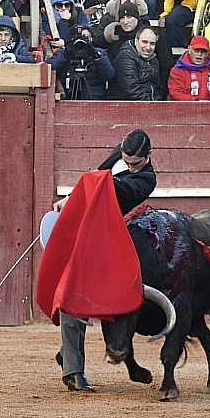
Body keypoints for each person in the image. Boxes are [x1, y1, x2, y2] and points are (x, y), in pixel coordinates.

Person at [51, 129, 157, 392]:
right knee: (73, 290)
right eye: (127, 162)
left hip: (104, 236)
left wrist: (81, 191)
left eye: (136, 164)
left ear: (148, 155)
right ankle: (72, 366)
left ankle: (70, 360)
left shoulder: (146, 180)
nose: (131, 168)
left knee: (79, 291)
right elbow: (98, 176)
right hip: (84, 225)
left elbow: (107, 185)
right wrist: (69, 199)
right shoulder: (119, 154)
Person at [50, 23, 115, 100]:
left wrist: (96, 56)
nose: (81, 43)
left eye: (86, 38)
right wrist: (65, 55)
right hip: (69, 98)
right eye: (77, 39)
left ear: (91, 39)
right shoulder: (63, 53)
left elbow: (109, 75)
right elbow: (49, 69)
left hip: (94, 99)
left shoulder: (99, 53)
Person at [111, 26, 167, 100]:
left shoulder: (153, 59)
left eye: (152, 43)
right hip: (127, 103)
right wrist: (151, 103)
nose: (148, 47)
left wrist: (157, 100)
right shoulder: (125, 56)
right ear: (136, 41)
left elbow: (158, 87)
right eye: (144, 42)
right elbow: (131, 90)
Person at [168, 35, 210, 101]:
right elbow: (176, 93)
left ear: (208, 53)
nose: (199, 54)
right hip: (185, 107)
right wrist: (196, 102)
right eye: (196, 50)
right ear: (189, 49)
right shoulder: (177, 70)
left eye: (203, 51)